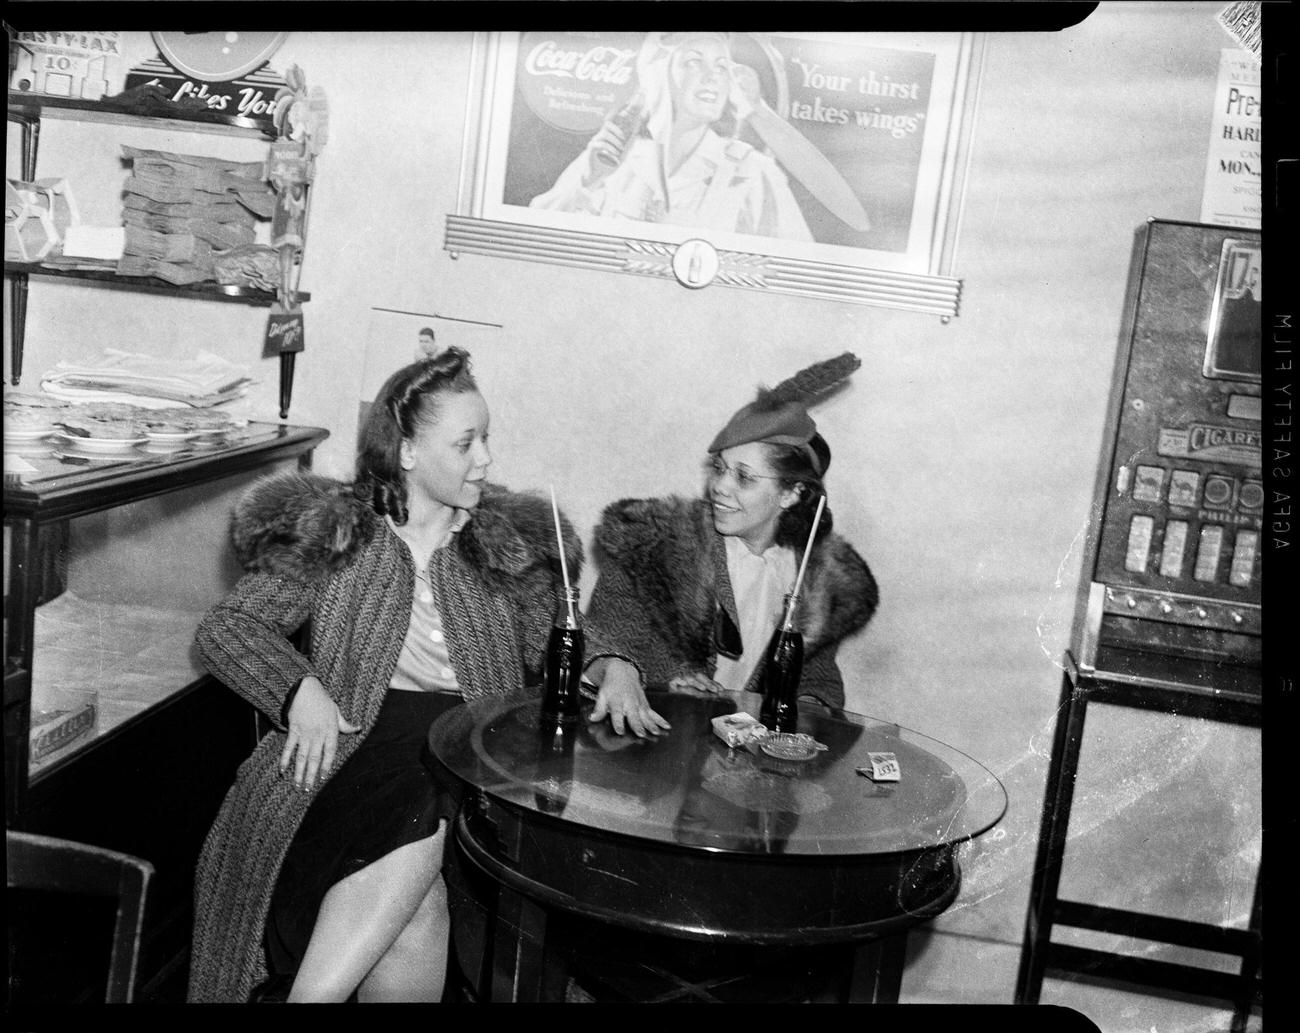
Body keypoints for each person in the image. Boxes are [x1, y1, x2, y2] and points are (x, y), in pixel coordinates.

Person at [187, 348, 658, 1004]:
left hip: (464, 760)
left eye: (486, 438)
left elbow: (564, 640)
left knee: (432, 825)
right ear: (407, 450)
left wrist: (614, 666)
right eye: (466, 442)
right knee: (420, 893)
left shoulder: (505, 547)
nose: (486, 459)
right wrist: (299, 689)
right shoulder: (341, 534)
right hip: (349, 756)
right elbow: (228, 628)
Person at [586, 353, 878, 710]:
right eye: (719, 468)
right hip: (647, 745)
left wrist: (807, 711)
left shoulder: (814, 575)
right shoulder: (655, 544)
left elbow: (816, 678)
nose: (720, 487)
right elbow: (603, 637)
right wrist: (627, 671)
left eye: (744, 477)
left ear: (791, 493)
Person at [530, 32, 813, 241]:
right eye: (693, 62)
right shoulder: (613, 159)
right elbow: (534, 237)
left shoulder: (752, 171)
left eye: (722, 67)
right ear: (658, 74)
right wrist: (588, 181)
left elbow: (797, 267)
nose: (712, 76)